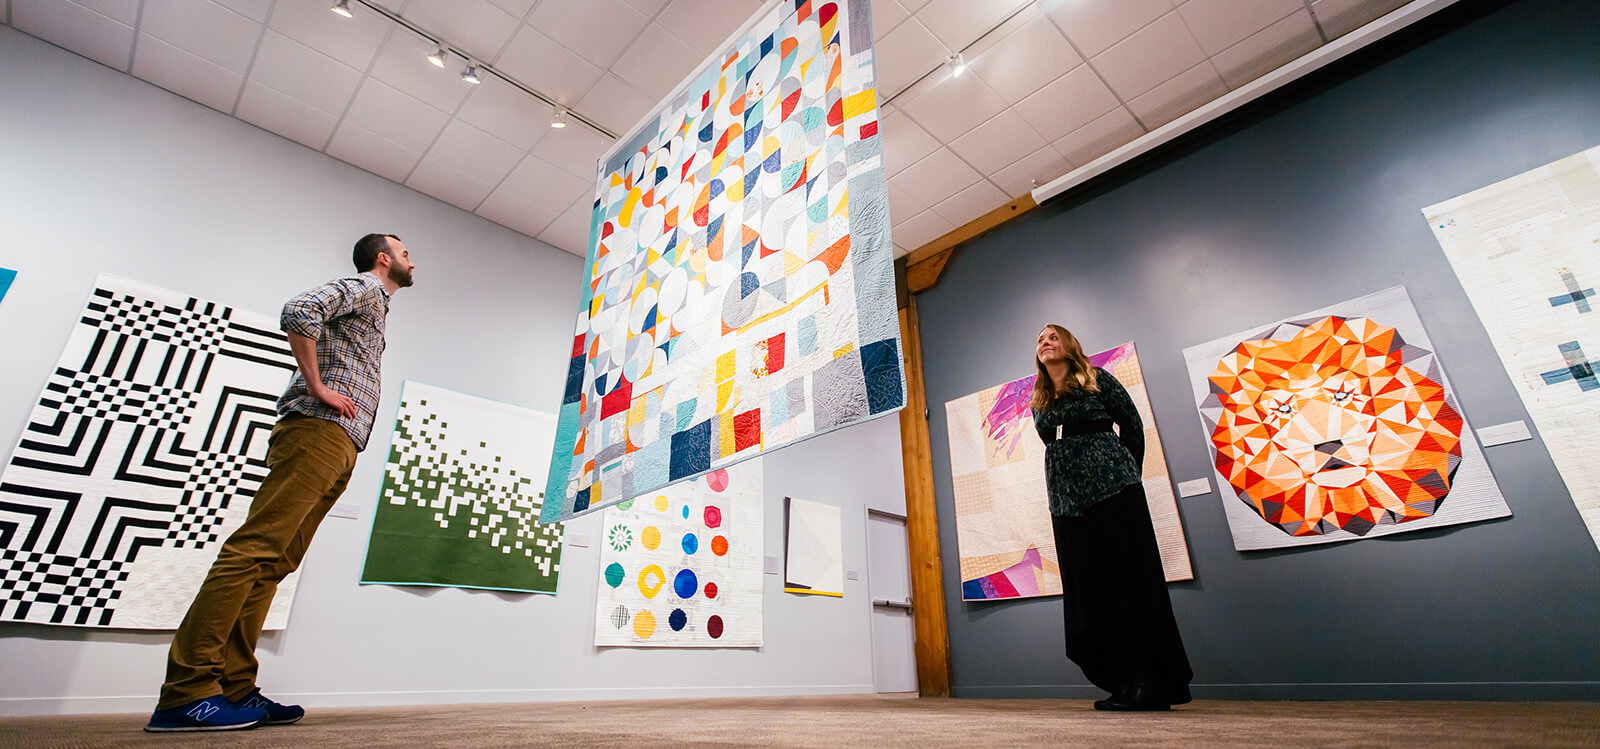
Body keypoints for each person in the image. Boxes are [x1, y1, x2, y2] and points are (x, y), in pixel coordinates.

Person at [146, 234, 415, 732]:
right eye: (404, 251)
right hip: (317, 429)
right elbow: (299, 310)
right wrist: (317, 385)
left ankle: (234, 688)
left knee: (275, 563)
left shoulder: (376, 307)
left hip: (340, 442)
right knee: (254, 550)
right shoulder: (364, 287)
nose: (411, 259)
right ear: (384, 258)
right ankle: (186, 692)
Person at [1032, 324, 1192, 711]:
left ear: (1069, 345)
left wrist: (1124, 474)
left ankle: (1149, 680)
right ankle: (1122, 679)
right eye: (1040, 339)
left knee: (1128, 582)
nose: (1045, 342)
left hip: (1114, 494)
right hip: (1068, 504)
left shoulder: (1097, 379)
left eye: (1053, 336)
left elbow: (1133, 427)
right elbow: (1052, 444)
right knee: (1092, 590)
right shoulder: (1039, 399)